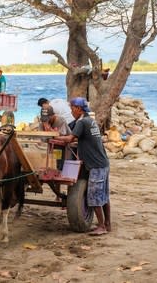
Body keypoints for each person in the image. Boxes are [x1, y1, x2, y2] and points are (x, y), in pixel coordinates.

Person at [54, 97, 111, 236]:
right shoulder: (90, 121)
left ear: (79, 109)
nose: (71, 111)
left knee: (94, 197)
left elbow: (69, 138)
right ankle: (108, 224)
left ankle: (102, 226)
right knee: (104, 196)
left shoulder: (83, 122)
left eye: (72, 108)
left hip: (96, 165)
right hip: (103, 163)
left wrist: (54, 137)